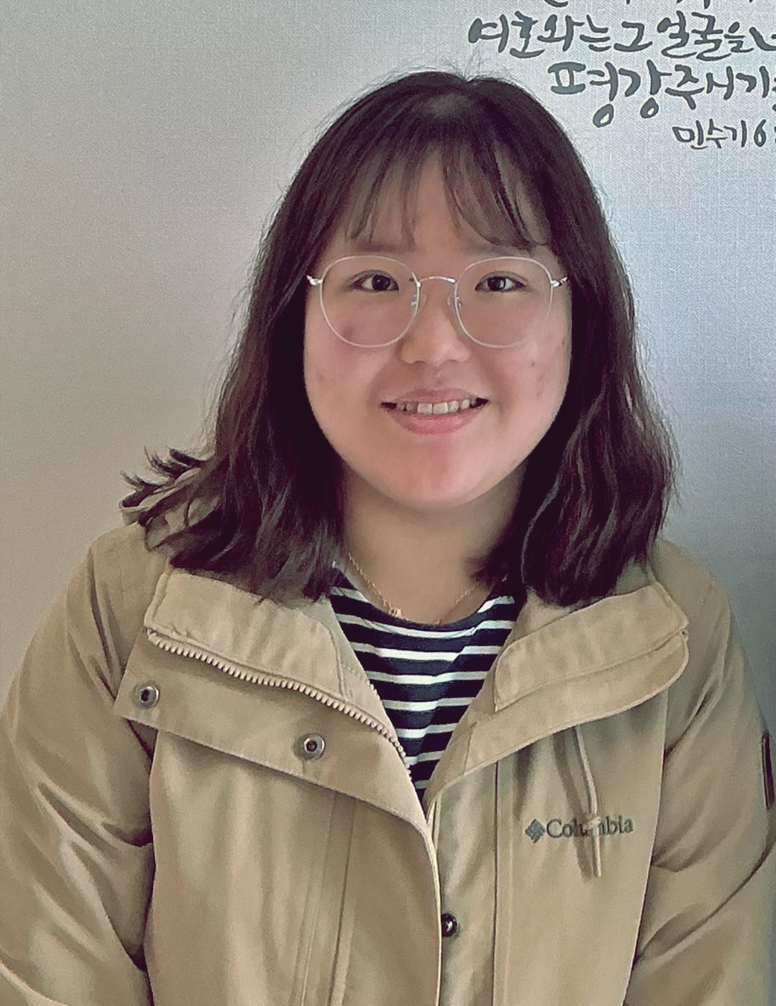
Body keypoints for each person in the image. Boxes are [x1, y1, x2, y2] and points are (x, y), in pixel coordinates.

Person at [0, 70, 774, 1006]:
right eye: (375, 281)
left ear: (584, 320)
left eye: (499, 281)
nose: (434, 345)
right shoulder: (132, 608)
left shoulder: (674, 637)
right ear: (293, 315)